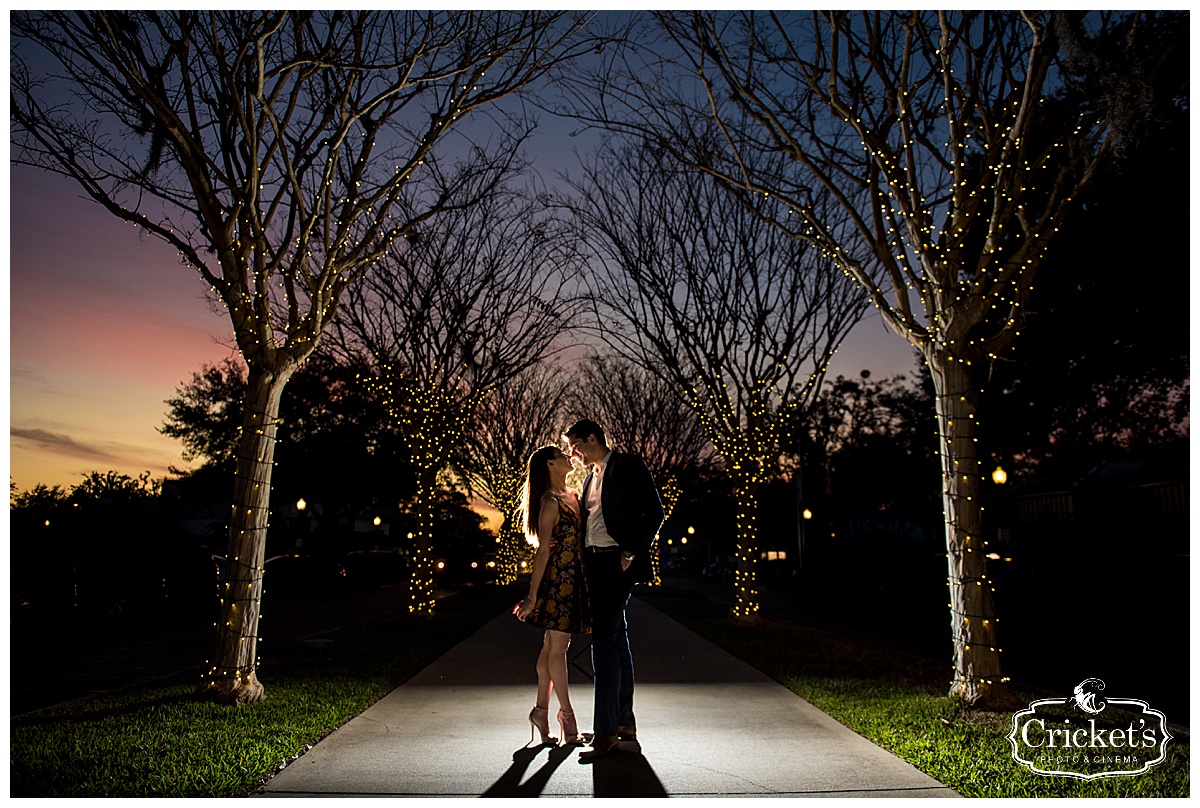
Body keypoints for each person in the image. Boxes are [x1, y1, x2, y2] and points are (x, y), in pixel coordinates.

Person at [564, 419, 664, 762]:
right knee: (616, 641)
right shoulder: (591, 476)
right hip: (594, 565)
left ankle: (605, 733)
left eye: (576, 445)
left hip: (617, 564)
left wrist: (630, 551)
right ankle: (623, 722)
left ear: (593, 438)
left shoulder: (629, 466)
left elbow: (655, 512)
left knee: (603, 643)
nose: (573, 453)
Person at [514, 445, 590, 747]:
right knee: (558, 649)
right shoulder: (549, 502)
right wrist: (532, 596)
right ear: (550, 464)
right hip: (557, 583)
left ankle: (540, 712)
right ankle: (567, 719)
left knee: (550, 649)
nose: (568, 457)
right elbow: (543, 551)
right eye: (562, 455)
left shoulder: (574, 495)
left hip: (577, 581)